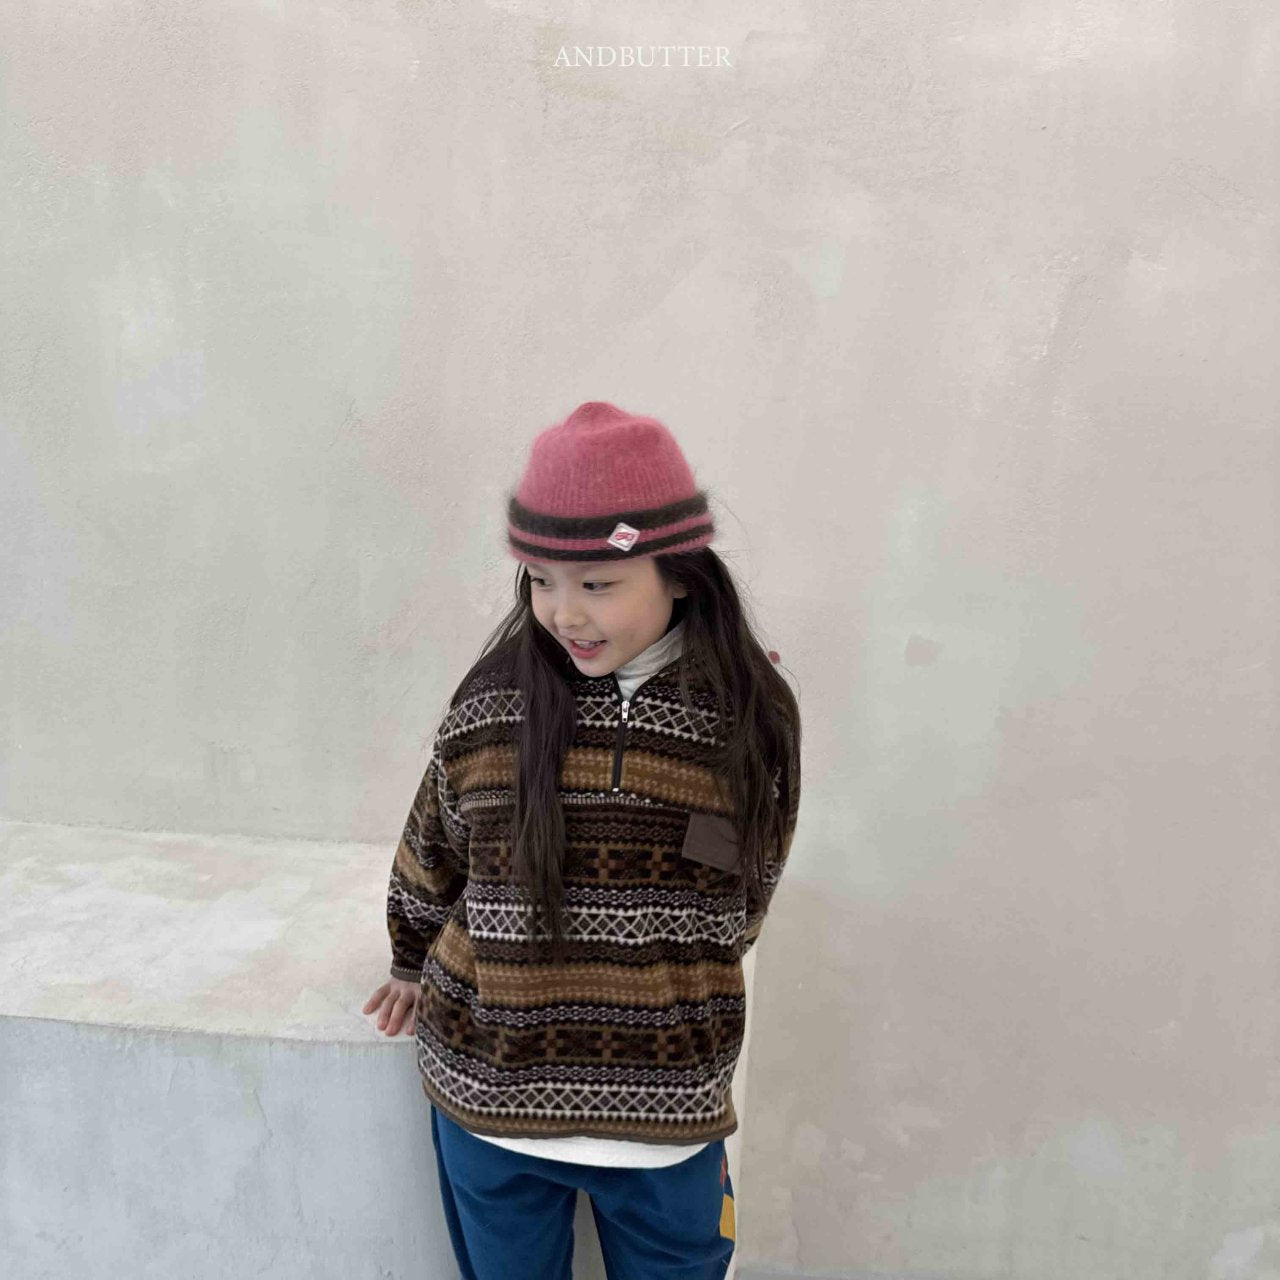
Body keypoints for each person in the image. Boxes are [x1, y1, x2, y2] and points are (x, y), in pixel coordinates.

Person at [362, 400, 802, 1280]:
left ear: (681, 574)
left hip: (667, 1116)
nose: (563, 612)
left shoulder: (743, 717)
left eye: (597, 584)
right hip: (492, 1102)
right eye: (541, 579)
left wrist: (670, 967)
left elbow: (745, 881)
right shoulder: (492, 706)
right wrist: (409, 958)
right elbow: (436, 847)